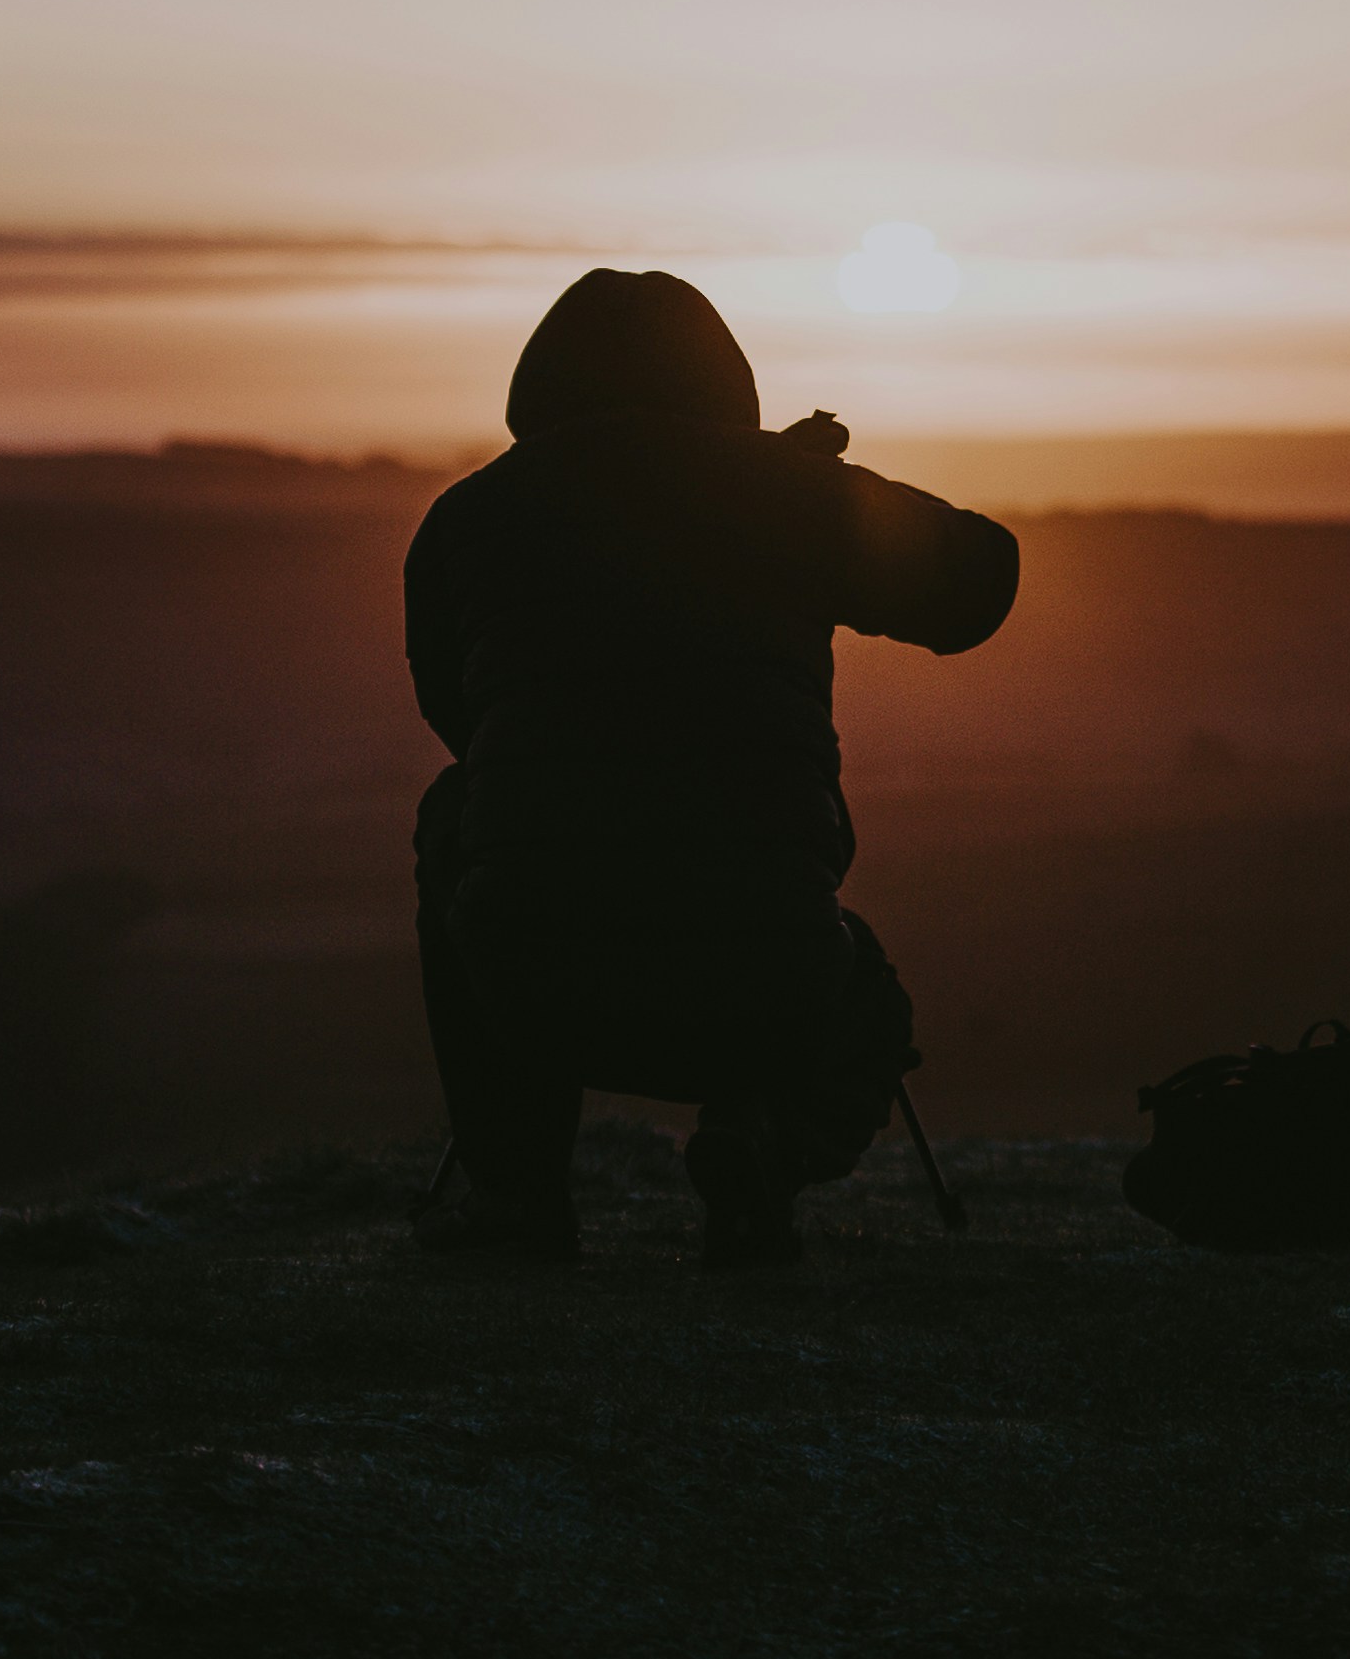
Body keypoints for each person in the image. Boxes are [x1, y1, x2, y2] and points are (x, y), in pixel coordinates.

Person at [402, 266, 1020, 1265]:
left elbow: (459, 719)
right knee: (865, 994)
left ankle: (516, 1197)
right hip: (763, 978)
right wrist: (815, 501)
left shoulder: (466, 518)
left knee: (456, 816)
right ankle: (758, 1153)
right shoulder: (791, 496)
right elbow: (980, 584)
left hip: (538, 979)